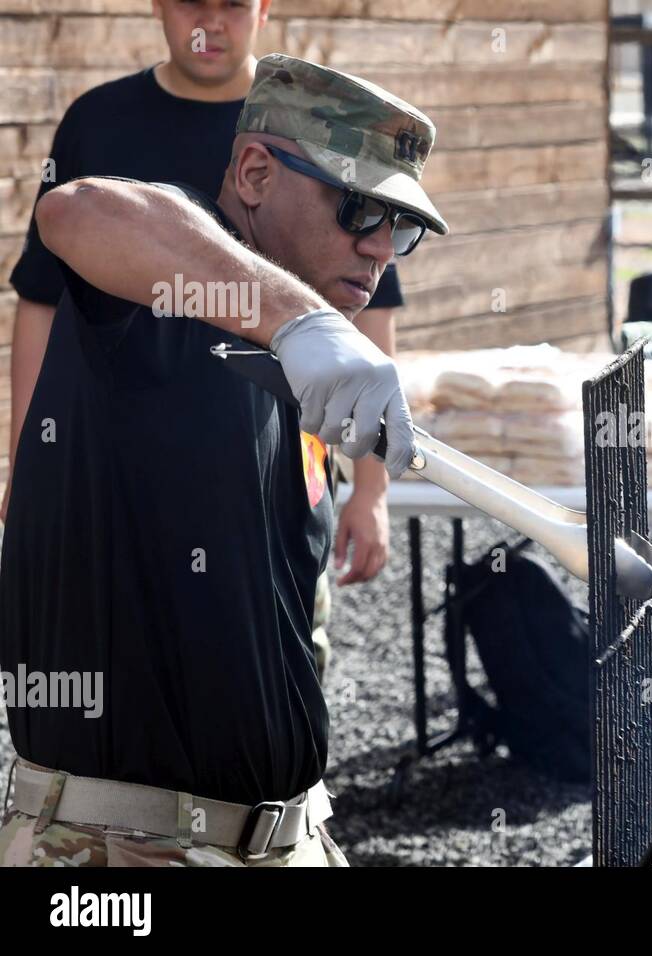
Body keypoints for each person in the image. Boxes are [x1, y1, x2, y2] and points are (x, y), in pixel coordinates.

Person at [0, 53, 446, 867]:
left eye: (401, 225)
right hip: (120, 852)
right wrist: (295, 319)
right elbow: (78, 209)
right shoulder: (167, 297)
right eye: (357, 208)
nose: (380, 247)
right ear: (252, 172)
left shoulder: (306, 369)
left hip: (284, 839)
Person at [3, 0, 401, 678]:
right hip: (127, 469)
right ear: (158, 4)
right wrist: (27, 460)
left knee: (283, 666)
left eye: (233, 5)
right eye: (192, 1)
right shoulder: (101, 122)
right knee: (126, 665)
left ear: (265, 9)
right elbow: (42, 300)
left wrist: (371, 486)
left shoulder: (317, 131)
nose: (211, 23)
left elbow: (369, 319)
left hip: (279, 467)